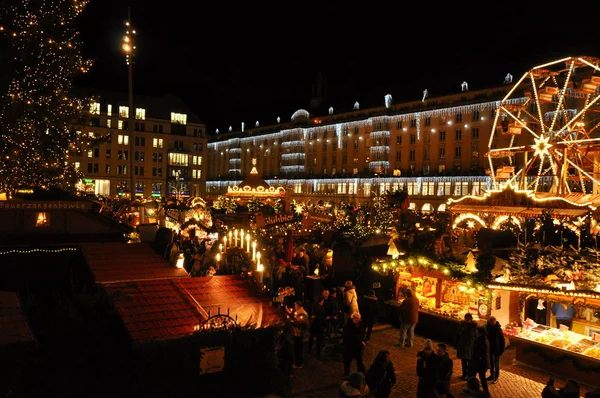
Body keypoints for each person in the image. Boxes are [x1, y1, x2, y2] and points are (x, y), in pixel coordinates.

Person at [467, 326, 490, 394]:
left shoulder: (484, 342)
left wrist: (485, 364)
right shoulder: (478, 339)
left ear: (481, 333)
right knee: (472, 375)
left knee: (482, 377)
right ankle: (471, 389)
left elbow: (485, 354)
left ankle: (485, 390)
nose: (476, 333)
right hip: (476, 362)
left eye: (477, 332)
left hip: (480, 363)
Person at [455, 313, 476, 380]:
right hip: (463, 346)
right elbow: (458, 334)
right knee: (463, 362)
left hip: (469, 346)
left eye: (468, 319)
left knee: (469, 362)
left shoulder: (473, 327)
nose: (467, 320)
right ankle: (464, 374)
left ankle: (469, 375)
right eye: (466, 318)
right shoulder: (462, 325)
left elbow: (473, 337)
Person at [485, 316, 505, 383]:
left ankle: (496, 377)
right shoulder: (487, 328)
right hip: (490, 348)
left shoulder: (498, 329)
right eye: (491, 321)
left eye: (493, 321)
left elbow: (502, 340)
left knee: (496, 364)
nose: (492, 322)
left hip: (497, 349)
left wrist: (502, 349)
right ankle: (492, 375)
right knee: (491, 363)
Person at [290, 301, 308, 369]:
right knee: (297, 348)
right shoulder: (299, 312)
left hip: (299, 333)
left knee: (298, 349)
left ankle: (299, 364)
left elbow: (299, 323)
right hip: (297, 333)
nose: (295, 307)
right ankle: (298, 363)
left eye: (295, 306)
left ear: (298, 305)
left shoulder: (302, 313)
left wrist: (292, 322)